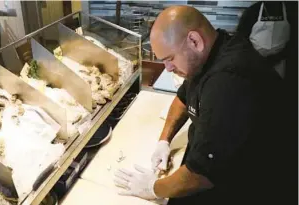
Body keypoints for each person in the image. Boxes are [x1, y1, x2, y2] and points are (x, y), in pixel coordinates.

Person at [113, 5, 292, 205]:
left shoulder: (229, 82)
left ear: (194, 41)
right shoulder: (214, 50)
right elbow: (183, 98)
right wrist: (164, 140)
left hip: (255, 185)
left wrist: (153, 188)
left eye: (170, 59)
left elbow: (201, 176)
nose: (168, 68)